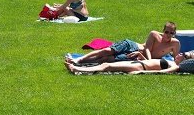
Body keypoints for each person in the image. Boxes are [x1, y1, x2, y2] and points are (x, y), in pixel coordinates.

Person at [70, 23, 180, 64]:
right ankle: (79, 59)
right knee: (107, 51)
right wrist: (149, 61)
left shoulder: (175, 44)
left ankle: (83, 62)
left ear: (174, 33)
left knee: (107, 59)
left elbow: (176, 59)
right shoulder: (154, 34)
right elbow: (147, 48)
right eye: (166, 32)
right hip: (133, 46)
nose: (168, 35)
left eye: (171, 33)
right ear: (163, 30)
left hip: (137, 56)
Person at [64, 52, 194, 74]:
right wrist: (141, 56)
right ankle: (77, 66)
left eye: (185, 55)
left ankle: (76, 69)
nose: (181, 53)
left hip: (139, 66)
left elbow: (160, 71)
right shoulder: (170, 60)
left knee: (107, 66)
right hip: (139, 62)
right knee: (106, 63)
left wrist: (141, 72)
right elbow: (153, 62)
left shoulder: (174, 66)